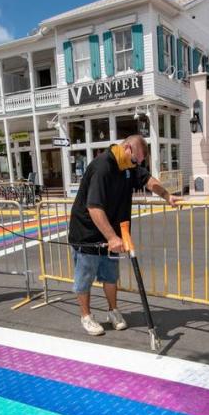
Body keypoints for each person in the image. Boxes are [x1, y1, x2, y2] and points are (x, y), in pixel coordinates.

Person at [67, 134, 181, 336]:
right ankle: (86, 316)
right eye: (135, 159)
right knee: (84, 277)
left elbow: (147, 179)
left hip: (112, 234)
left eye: (139, 162)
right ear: (127, 148)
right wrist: (112, 237)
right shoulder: (103, 167)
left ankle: (113, 311)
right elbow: (94, 208)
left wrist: (166, 195)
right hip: (87, 232)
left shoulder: (128, 166)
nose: (136, 164)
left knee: (110, 276)